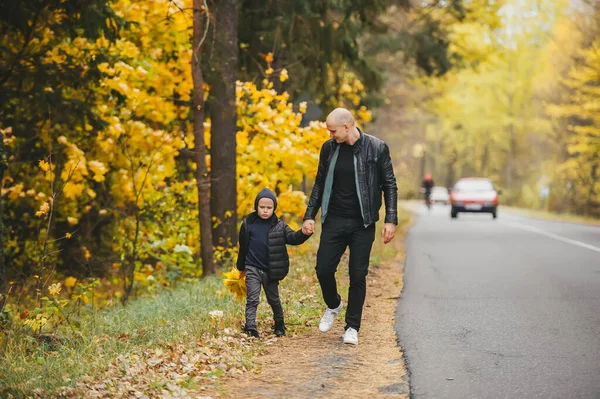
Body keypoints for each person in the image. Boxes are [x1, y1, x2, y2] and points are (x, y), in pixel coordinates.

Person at [302, 108, 398, 345]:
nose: (330, 134)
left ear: (347, 127)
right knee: (323, 269)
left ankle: (352, 327)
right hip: (334, 219)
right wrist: (309, 215)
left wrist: (390, 219)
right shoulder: (329, 148)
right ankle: (334, 305)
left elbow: (390, 185)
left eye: (332, 130)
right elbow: (319, 183)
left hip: (362, 223)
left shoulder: (376, 148)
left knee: (358, 274)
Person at [236, 188, 312, 338]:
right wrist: (241, 267)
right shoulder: (248, 224)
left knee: (274, 299)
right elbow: (243, 247)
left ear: (274, 208)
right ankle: (251, 327)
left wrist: (303, 233)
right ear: (256, 206)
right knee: (252, 299)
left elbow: (293, 238)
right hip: (252, 268)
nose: (265, 210)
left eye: (269, 208)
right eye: (262, 207)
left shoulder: (279, 226)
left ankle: (279, 324)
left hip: (270, 271)